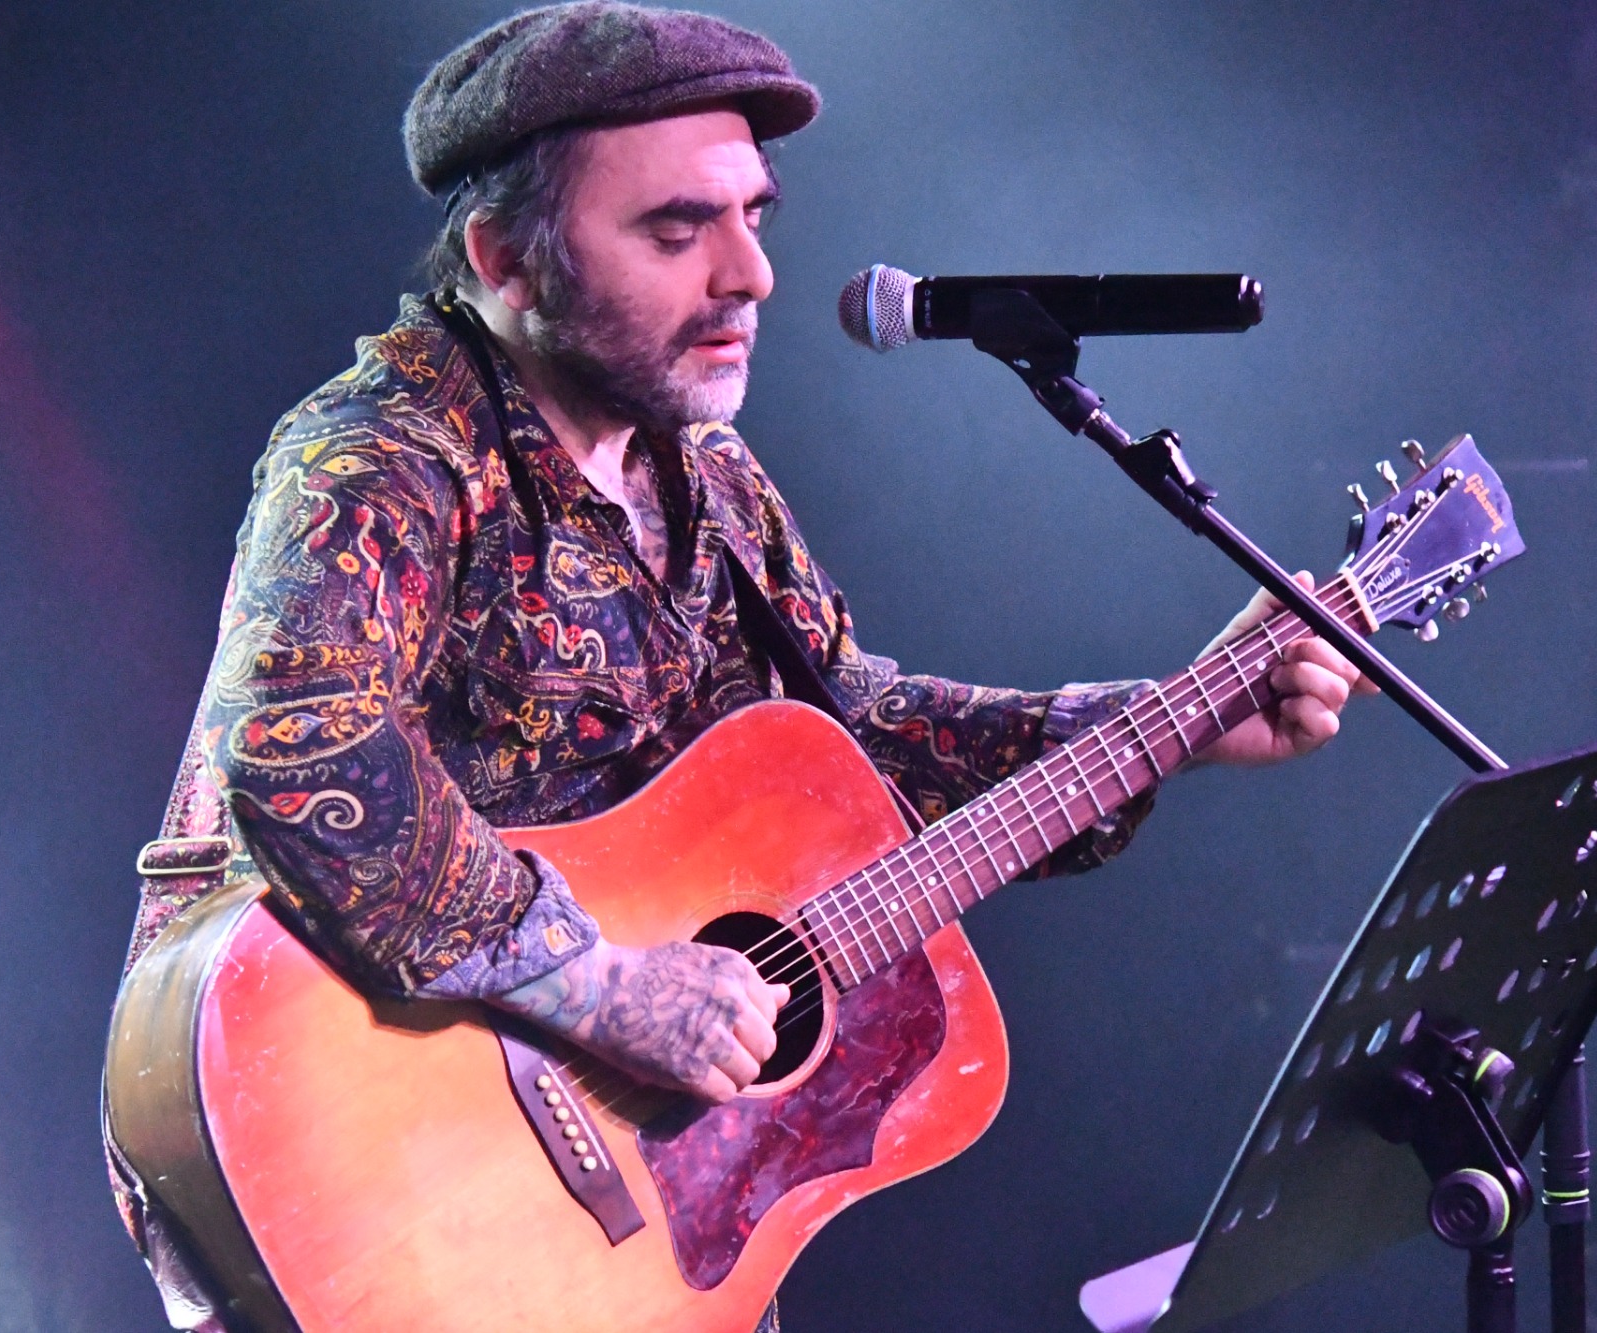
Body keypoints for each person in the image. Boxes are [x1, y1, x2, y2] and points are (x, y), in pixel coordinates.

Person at [109, 4, 1370, 1328]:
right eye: (676, 230)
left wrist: (1176, 719)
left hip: (632, 1229)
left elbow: (857, 742)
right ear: (507, 260)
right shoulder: (385, 455)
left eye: (754, 216)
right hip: (375, 1166)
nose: (751, 274)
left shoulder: (701, 469)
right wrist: (603, 990)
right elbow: (304, 748)